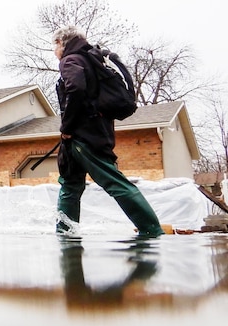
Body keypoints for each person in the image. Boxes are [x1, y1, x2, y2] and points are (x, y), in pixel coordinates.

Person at [52, 25, 164, 237]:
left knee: (112, 180)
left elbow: (76, 88)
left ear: (61, 43)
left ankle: (152, 229)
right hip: (94, 131)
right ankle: (65, 231)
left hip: (83, 134)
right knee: (70, 183)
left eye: (54, 47)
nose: (55, 53)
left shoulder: (71, 60)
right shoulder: (92, 59)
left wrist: (67, 127)